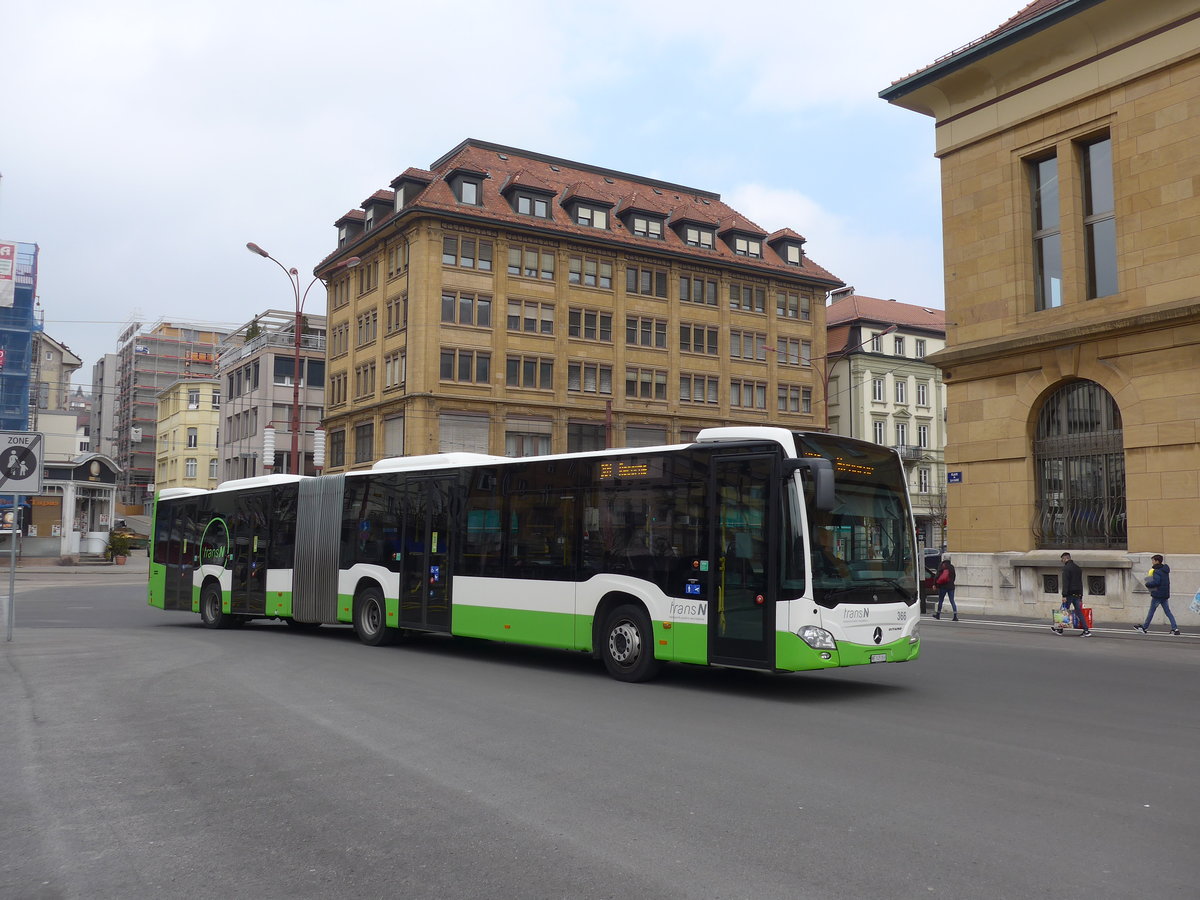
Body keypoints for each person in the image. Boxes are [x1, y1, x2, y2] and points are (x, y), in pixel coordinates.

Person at [1134, 554, 1181, 635]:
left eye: (1153, 560)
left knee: (1151, 612)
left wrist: (1148, 584)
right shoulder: (1165, 569)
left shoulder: (1156, 571)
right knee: (1168, 612)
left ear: (1157, 561)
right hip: (1164, 594)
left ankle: (1144, 628)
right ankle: (1175, 629)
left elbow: (1157, 582)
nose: (1152, 562)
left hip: (1157, 594)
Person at [1054, 551, 1092, 636]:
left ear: (1065, 558)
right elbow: (1080, 582)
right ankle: (1086, 630)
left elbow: (1065, 582)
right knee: (1079, 612)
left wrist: (1064, 595)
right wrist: (1081, 595)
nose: (1062, 561)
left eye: (1062, 559)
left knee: (1063, 611)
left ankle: (1059, 629)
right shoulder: (1078, 568)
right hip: (1078, 593)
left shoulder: (1066, 569)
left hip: (1069, 594)